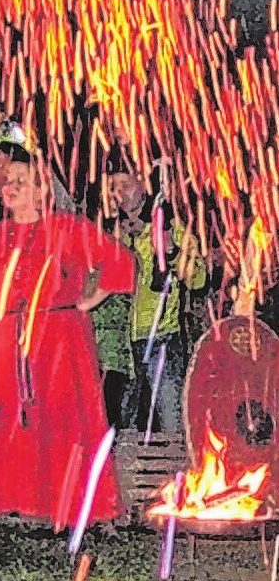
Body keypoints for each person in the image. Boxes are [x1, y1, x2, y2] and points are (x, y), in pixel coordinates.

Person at [0, 149, 134, 527]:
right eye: (9, 180)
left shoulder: (67, 229)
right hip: (5, 338)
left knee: (59, 417)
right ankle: (17, 502)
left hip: (58, 336)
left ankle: (66, 503)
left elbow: (121, 260)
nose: (12, 187)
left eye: (23, 180)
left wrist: (91, 298)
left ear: (42, 191)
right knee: (10, 416)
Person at [108, 170, 206, 433]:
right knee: (121, 428)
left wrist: (171, 252)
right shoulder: (111, 234)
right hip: (119, 347)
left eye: (125, 185)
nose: (119, 193)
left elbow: (198, 280)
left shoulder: (170, 228)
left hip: (161, 337)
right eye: (113, 187)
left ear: (143, 184)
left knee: (172, 418)